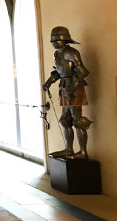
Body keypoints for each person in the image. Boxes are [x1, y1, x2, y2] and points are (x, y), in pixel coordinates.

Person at [43, 27, 91, 159]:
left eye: (56, 39)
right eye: (52, 40)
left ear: (63, 39)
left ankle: (83, 152)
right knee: (65, 120)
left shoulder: (71, 52)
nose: (53, 42)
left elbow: (81, 72)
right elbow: (59, 72)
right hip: (64, 87)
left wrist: (72, 88)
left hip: (75, 87)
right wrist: (48, 82)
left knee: (77, 120)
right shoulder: (57, 54)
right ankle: (69, 149)